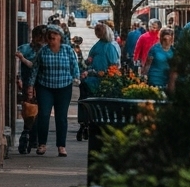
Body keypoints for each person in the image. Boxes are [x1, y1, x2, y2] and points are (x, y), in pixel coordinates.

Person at [28, 26, 81, 157]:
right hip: (45, 86)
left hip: (64, 87)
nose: (52, 39)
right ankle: (42, 144)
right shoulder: (43, 51)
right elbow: (35, 69)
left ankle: (61, 146)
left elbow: (74, 66)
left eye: (54, 36)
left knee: (61, 117)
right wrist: (30, 86)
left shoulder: (67, 50)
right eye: (50, 36)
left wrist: (76, 78)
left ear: (60, 38)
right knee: (44, 114)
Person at [15, 25, 49, 150]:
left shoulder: (47, 51)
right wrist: (18, 78)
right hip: (29, 84)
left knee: (40, 112)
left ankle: (34, 139)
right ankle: (29, 137)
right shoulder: (24, 49)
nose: (42, 41)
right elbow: (18, 63)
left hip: (43, 85)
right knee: (29, 111)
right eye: (40, 38)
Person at [84, 22, 122, 96]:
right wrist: (89, 60)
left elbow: (114, 65)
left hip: (105, 78)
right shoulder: (100, 44)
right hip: (95, 77)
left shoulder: (110, 46)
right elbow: (90, 58)